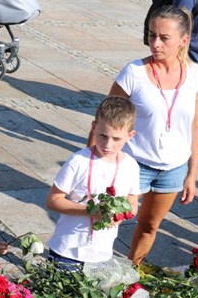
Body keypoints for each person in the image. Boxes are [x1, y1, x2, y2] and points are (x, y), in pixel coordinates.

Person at [106, 5, 198, 265]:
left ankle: (131, 272)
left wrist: (191, 174)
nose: (155, 43)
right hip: (133, 164)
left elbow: (195, 125)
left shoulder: (194, 74)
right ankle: (92, 269)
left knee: (149, 226)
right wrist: (93, 163)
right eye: (151, 35)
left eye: (164, 38)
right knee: (108, 221)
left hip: (173, 169)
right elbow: (106, 119)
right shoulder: (134, 73)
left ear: (183, 40)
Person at [47, 97, 140, 271]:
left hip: (102, 254)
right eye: (102, 136)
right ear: (94, 127)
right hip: (68, 250)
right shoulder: (78, 161)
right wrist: (91, 211)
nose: (108, 145)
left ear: (130, 136)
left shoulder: (131, 166)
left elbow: (133, 202)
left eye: (116, 139)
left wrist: (121, 216)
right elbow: (53, 200)